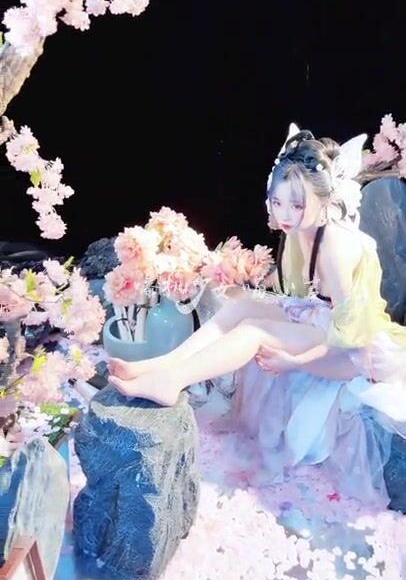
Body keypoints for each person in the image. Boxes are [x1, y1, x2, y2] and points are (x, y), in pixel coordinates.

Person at [108, 123, 406, 505]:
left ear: (323, 200)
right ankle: (163, 366)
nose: (285, 214)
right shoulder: (300, 231)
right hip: (323, 320)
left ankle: (172, 381)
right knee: (243, 306)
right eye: (277, 202)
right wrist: (247, 287)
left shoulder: (333, 245)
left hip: (354, 349)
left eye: (296, 205)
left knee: (253, 331)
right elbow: (301, 295)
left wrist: (295, 361)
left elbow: (349, 332)